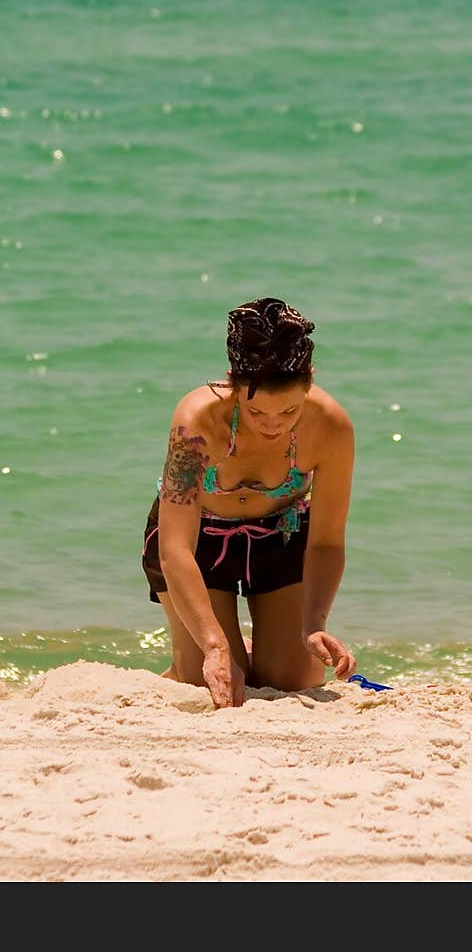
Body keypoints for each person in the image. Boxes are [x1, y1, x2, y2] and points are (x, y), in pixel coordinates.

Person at [141, 297, 356, 709]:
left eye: (289, 410)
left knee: (293, 680)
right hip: (197, 544)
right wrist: (213, 647)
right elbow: (174, 548)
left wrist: (313, 623)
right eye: (256, 411)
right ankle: (213, 649)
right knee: (213, 684)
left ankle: (258, 645)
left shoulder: (331, 426)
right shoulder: (196, 421)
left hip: (281, 536)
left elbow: (327, 542)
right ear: (232, 384)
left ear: (310, 381)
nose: (272, 425)